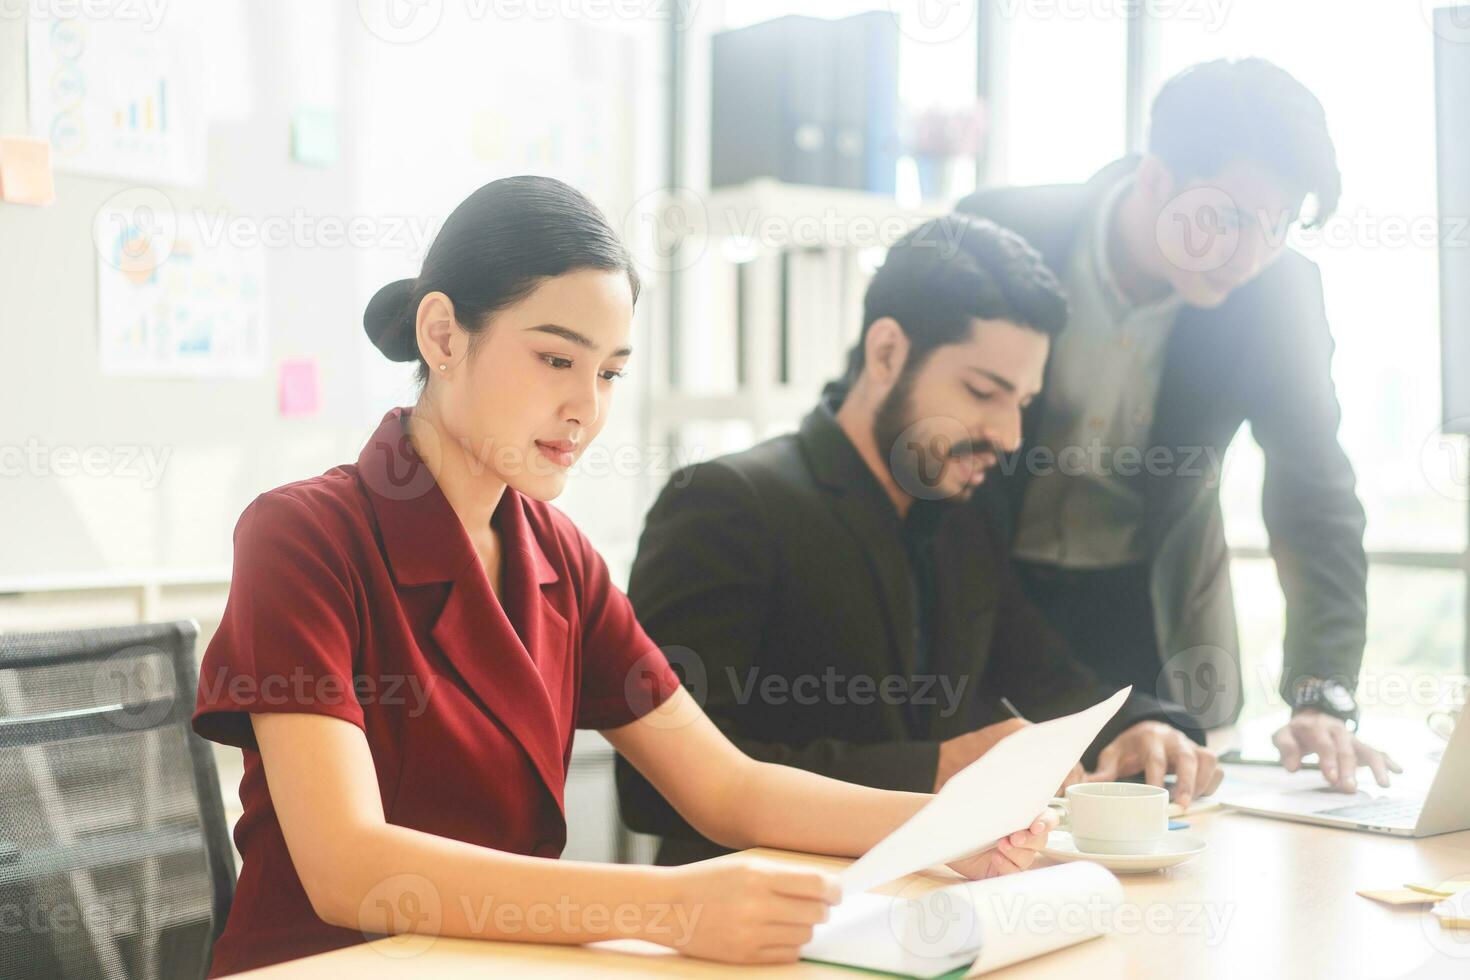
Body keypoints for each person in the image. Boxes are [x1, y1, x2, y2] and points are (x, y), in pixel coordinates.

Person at [190, 177, 1057, 976]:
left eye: (608, 373)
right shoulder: (303, 536)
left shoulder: (558, 556)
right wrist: (672, 907)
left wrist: (951, 831)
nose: (587, 408)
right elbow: (351, 868)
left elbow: (727, 787)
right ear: (443, 335)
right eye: (556, 360)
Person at [616, 214, 1220, 866]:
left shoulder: (965, 514)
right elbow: (656, 789)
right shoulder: (723, 504)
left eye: (1021, 401)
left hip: (929, 903)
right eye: (983, 391)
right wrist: (935, 767)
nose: (1009, 435)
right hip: (758, 923)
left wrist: (1138, 725)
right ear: (886, 354)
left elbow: (1046, 674)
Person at [953, 58, 1398, 792]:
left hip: (1152, 609)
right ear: (1157, 180)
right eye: (1228, 218)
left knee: (1173, 827)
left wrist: (1321, 695)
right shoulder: (1000, 231)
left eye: (1277, 225)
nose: (1251, 254)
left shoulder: (1278, 296)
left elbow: (1314, 497)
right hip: (987, 595)